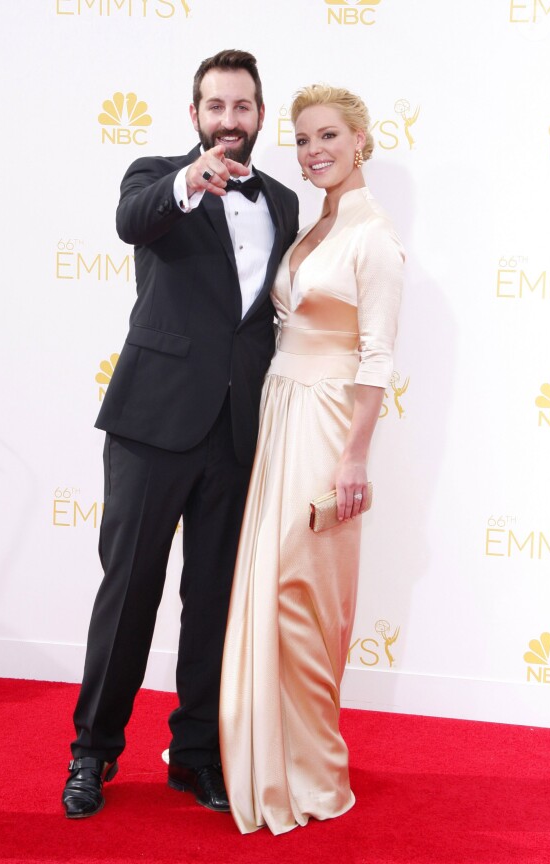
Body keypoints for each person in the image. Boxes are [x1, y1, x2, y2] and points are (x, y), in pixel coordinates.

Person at [61, 49, 299, 819]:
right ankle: (92, 753)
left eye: (242, 107)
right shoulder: (154, 178)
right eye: (215, 107)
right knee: (128, 593)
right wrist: (186, 181)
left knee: (214, 600)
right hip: (151, 424)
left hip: (236, 431)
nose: (229, 122)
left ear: (260, 116)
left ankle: (194, 757)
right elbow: (132, 221)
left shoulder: (285, 203)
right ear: (194, 115)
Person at [219, 84, 404, 834]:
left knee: (303, 593)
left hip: (328, 422)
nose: (313, 150)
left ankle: (313, 772)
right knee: (272, 585)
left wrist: (356, 458)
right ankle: (268, 756)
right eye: (301, 138)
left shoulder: (374, 238)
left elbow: (377, 356)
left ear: (361, 139)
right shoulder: (313, 226)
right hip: (280, 411)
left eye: (328, 135)